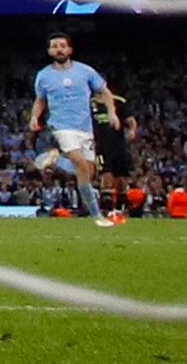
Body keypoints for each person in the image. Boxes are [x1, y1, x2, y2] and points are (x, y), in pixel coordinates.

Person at [28, 32, 117, 227]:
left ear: (70, 49)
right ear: (49, 51)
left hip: (85, 129)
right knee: (81, 165)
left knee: (88, 173)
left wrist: (112, 112)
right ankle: (97, 217)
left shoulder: (85, 71)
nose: (58, 49)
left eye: (62, 45)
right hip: (61, 127)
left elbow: (104, 92)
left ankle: (57, 160)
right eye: (54, 46)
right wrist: (35, 117)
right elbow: (40, 100)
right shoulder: (44, 76)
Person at [92, 88, 138, 224]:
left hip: (118, 145)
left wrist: (132, 130)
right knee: (106, 176)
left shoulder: (119, 101)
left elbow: (131, 121)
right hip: (101, 145)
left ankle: (119, 211)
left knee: (121, 179)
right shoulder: (90, 104)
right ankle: (107, 212)